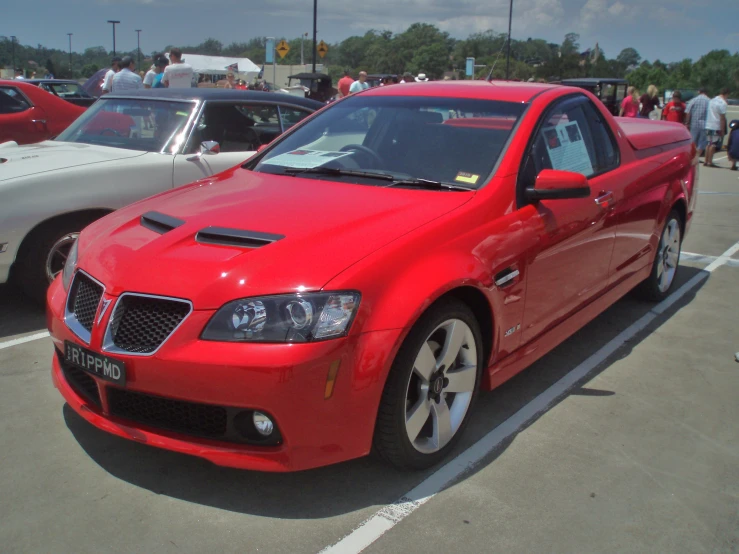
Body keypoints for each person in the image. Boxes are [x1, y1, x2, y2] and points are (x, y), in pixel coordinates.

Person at [704, 88, 730, 168]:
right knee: (713, 144)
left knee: (708, 143)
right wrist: (722, 130)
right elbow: (722, 117)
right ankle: (710, 161)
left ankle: (706, 160)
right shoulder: (722, 103)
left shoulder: (712, 100)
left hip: (708, 124)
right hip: (716, 125)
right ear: (726, 94)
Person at [685, 88, 710, 156]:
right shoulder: (709, 101)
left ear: (699, 92)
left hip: (694, 124)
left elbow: (688, 112)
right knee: (702, 143)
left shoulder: (694, 100)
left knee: (693, 142)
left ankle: (692, 156)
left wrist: (687, 123)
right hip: (705, 124)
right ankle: (697, 156)